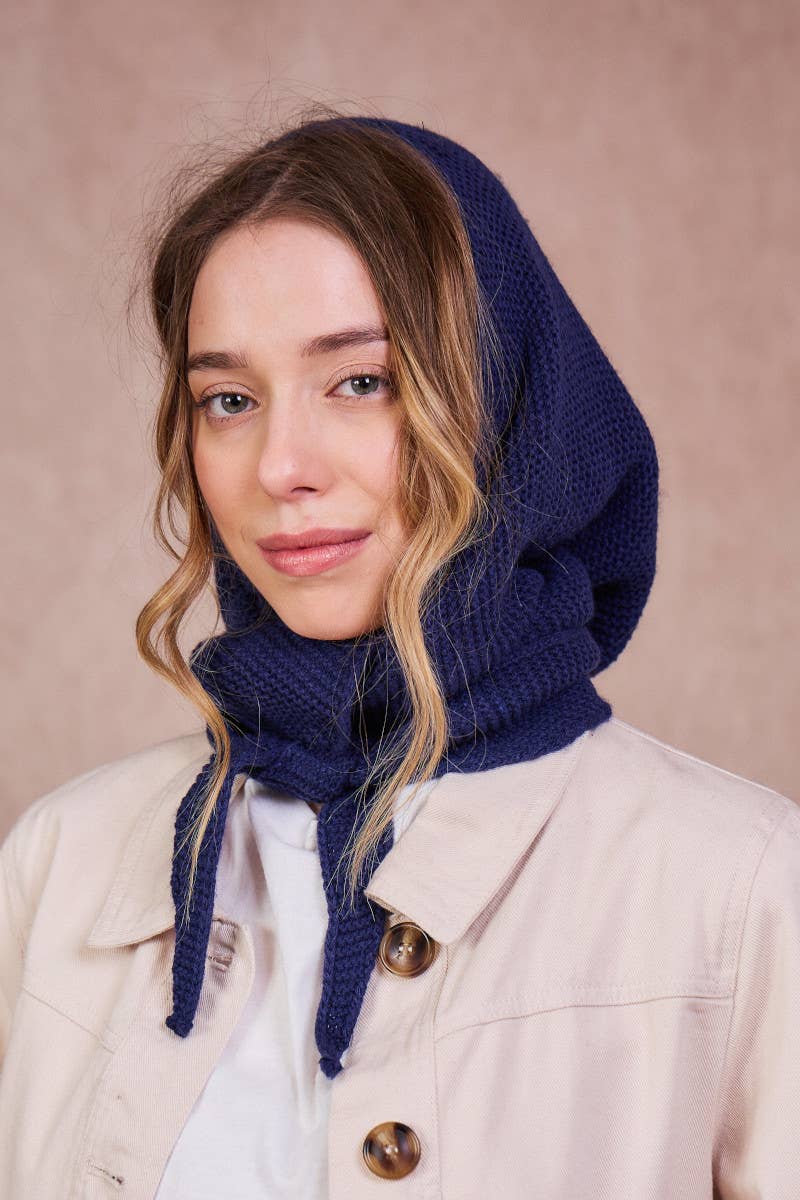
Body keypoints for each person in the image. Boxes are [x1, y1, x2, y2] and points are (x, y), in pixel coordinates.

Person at [0, 108, 797, 1200]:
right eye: (227, 400)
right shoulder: (61, 860)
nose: (279, 464)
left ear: (504, 400)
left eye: (360, 380)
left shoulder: (738, 886)